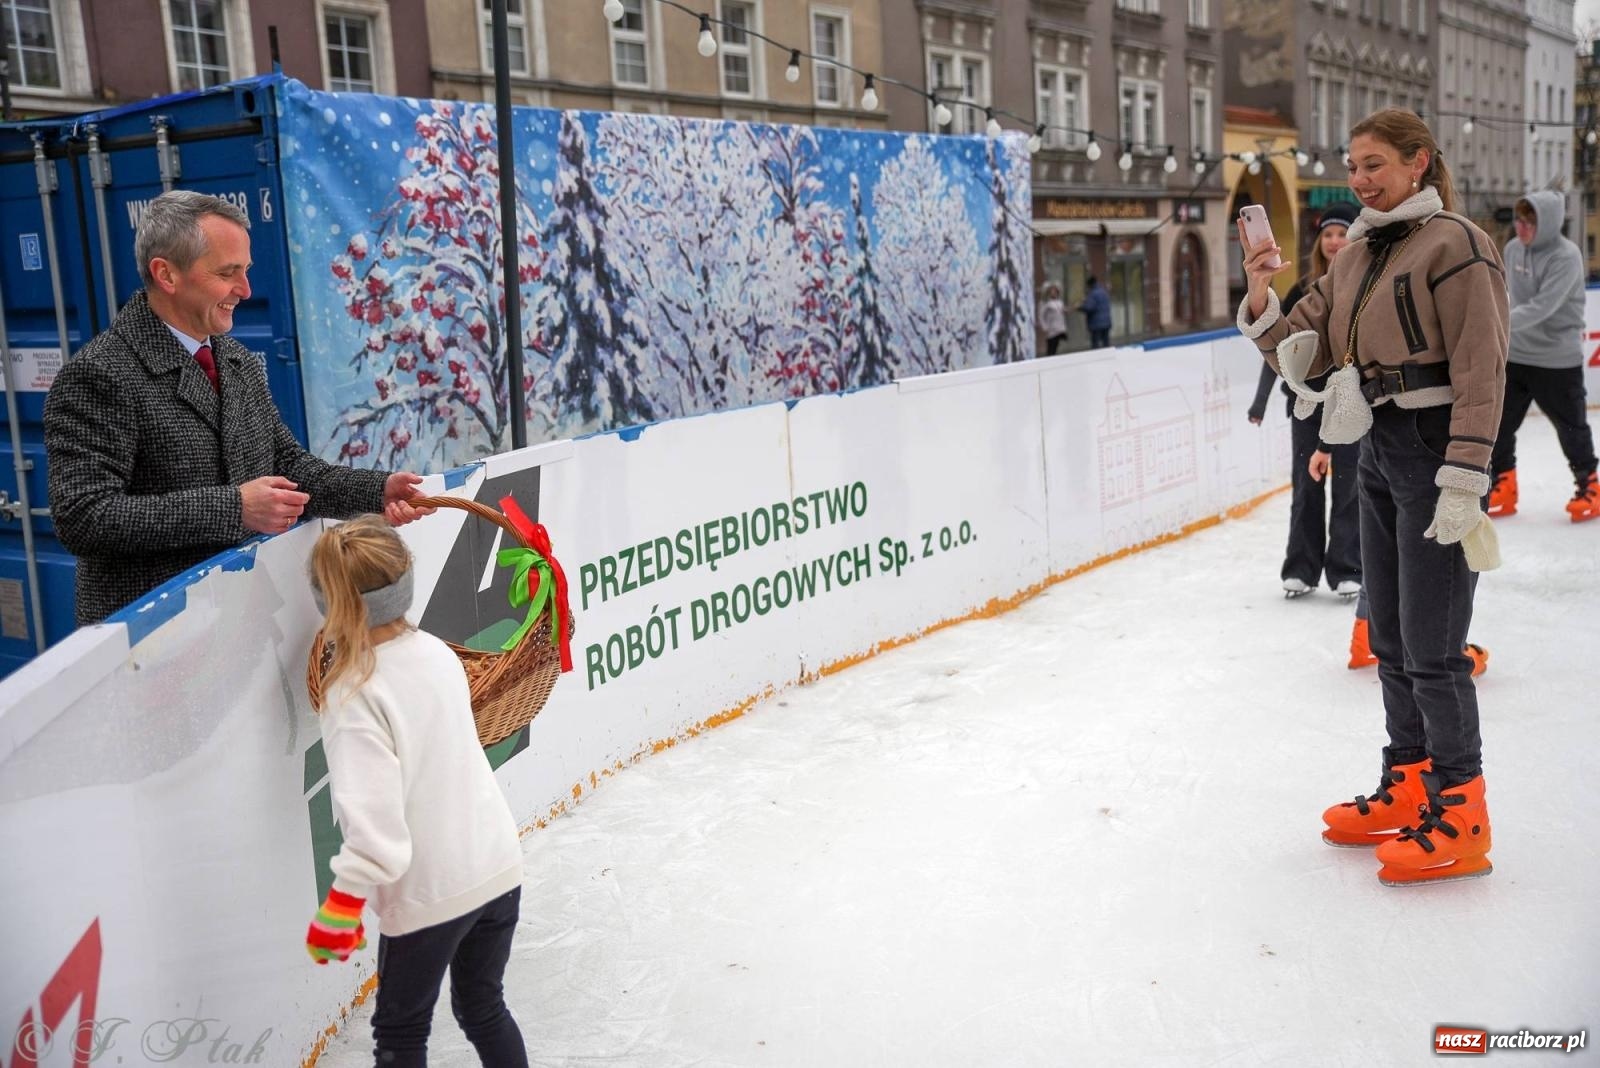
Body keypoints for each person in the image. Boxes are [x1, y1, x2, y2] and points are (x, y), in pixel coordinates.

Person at [1237, 108, 1507, 886]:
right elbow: (1303, 347)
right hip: (1378, 450)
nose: (1359, 178)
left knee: (1433, 646)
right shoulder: (1356, 251)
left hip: (1433, 454)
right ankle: (1411, 780)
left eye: (1375, 164)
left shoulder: (1456, 244)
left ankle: (1462, 810)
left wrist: (1465, 473)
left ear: (1419, 163)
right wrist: (1263, 291)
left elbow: (1484, 366)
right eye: (1353, 164)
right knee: (1388, 636)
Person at [43, 190, 432, 625]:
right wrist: (234, 508)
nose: (245, 290)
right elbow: (83, 517)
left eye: (245, 271)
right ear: (166, 274)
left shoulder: (236, 361)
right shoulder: (100, 374)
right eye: (228, 273)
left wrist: (376, 492)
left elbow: (291, 469)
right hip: (151, 644)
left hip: (237, 627)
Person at [305, 516, 528, 1067]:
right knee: (483, 1006)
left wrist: (342, 903)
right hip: (497, 864)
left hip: (432, 892)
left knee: (401, 1036)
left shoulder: (353, 694)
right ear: (405, 583)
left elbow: (378, 835)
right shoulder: (437, 651)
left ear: (327, 603)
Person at [1248, 202, 1362, 599]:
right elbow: (1281, 350)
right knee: (1306, 486)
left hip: (1348, 405)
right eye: (1328, 234)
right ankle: (1302, 567)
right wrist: (1260, 402)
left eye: (1341, 233)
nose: (1334, 241)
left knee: (1349, 486)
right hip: (1306, 404)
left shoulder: (1364, 285)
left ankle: (1348, 567)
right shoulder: (1302, 289)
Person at [1309, 446, 1490, 678]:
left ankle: (1365, 637)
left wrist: (1325, 446)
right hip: (1428, 452)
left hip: (1380, 452)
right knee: (1434, 555)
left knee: (1384, 548)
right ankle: (1447, 651)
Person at [1488, 191, 1599, 521]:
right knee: (1499, 423)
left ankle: (1589, 484)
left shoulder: (1567, 257)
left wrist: (1496, 321)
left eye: (1530, 222)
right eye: (1519, 221)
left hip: (1556, 359)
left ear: (1548, 224)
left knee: (1571, 427)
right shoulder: (1511, 250)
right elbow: (1511, 298)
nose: (1521, 228)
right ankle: (1503, 483)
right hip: (1518, 354)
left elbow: (1543, 307)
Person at [1080, 276, 1112, 349]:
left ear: (1089, 285)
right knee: (1106, 343)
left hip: (1096, 324)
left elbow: (1089, 307)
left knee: (1096, 345)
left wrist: (1079, 307)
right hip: (1106, 322)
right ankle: (1107, 358)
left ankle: (1099, 358)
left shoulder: (1092, 294)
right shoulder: (1103, 291)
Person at [1040, 283, 1069, 355]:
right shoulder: (1046, 303)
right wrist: (1044, 327)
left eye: (1055, 292)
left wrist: (1066, 310)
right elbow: (1041, 316)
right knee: (1051, 347)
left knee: (1056, 345)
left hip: (1059, 328)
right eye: (1052, 292)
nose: (1054, 293)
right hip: (1051, 328)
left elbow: (1062, 311)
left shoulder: (1060, 302)